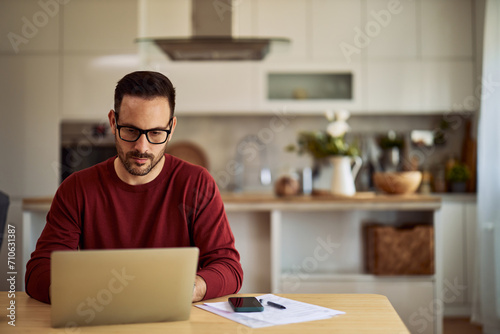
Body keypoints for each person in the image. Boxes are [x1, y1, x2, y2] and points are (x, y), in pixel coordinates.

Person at [25, 71, 243, 304]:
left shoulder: (197, 183)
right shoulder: (77, 189)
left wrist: (187, 289)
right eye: (130, 130)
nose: (142, 147)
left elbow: (229, 268)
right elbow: (38, 271)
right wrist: (78, 291)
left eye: (156, 133)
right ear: (112, 122)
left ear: (172, 127)